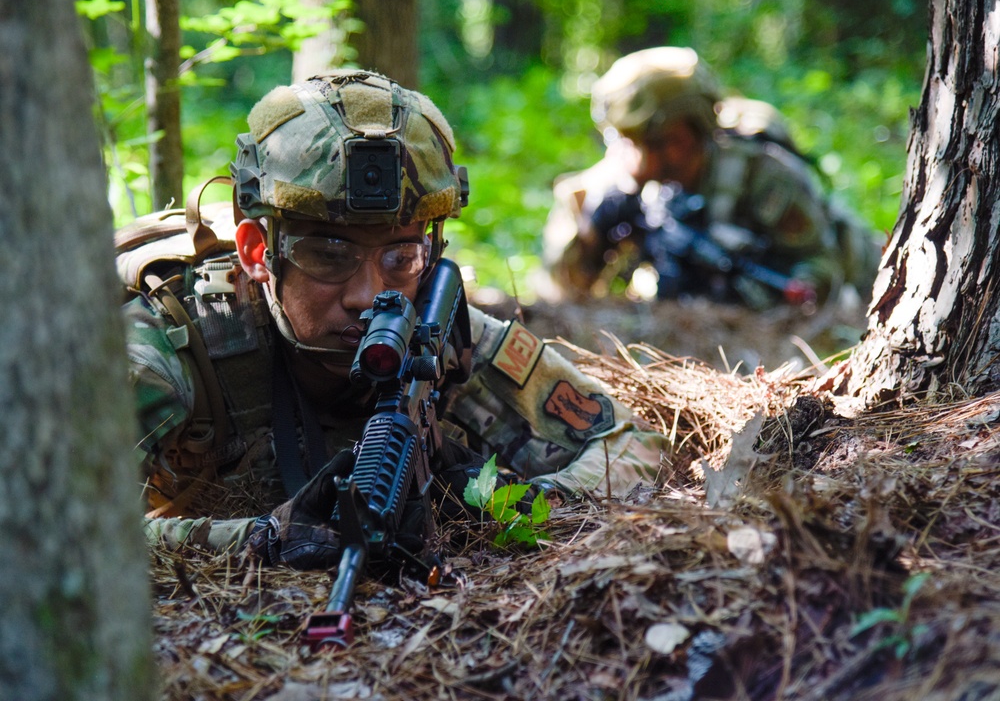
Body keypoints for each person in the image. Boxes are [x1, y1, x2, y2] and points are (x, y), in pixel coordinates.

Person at [125, 70, 668, 568]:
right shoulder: (175, 345)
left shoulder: (439, 332)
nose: (368, 296)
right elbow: (58, 527)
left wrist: (525, 508)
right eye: (330, 254)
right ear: (255, 251)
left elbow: (631, 443)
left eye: (400, 257)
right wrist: (259, 539)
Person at [542, 46, 883, 309]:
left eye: (652, 141)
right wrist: (592, 230)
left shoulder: (763, 177)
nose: (633, 156)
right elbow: (559, 289)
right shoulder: (616, 183)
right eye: (625, 140)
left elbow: (822, 269)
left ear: (687, 135)